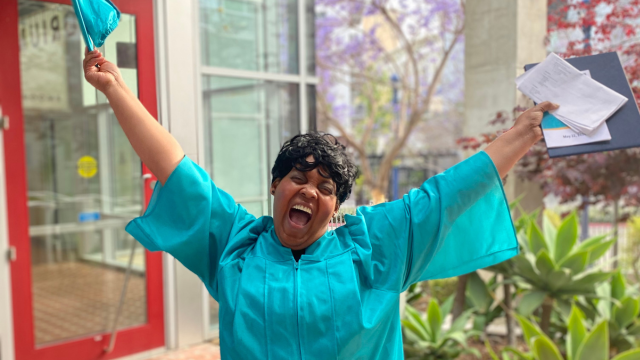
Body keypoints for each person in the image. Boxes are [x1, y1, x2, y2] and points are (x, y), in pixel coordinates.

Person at [83, 49, 558, 359]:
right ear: (275, 186)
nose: (311, 190)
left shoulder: (373, 251)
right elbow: (176, 169)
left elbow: (445, 195)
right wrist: (115, 87)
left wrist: (522, 133)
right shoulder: (235, 246)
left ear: (335, 207)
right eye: (299, 178)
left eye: (327, 187)